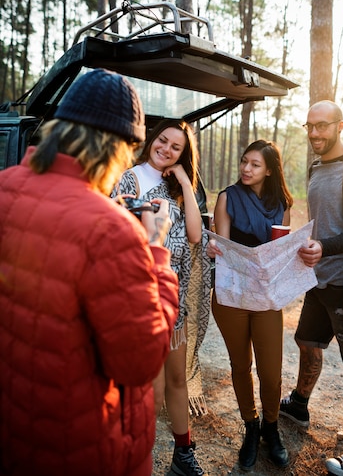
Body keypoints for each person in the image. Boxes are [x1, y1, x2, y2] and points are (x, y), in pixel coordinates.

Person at [0, 68, 179, 476]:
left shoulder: (5, 186)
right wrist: (152, 250)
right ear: (116, 148)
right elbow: (140, 361)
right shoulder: (109, 231)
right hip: (83, 445)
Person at [279, 100, 343, 476]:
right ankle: (299, 404)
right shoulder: (316, 166)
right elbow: (322, 222)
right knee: (307, 343)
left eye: (322, 126)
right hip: (319, 278)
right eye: (309, 126)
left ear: (340, 125)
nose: (314, 134)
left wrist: (325, 247)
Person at [112, 119, 211, 476]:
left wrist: (185, 180)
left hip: (176, 300)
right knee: (149, 393)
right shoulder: (130, 179)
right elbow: (116, 235)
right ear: (151, 139)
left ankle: (183, 455)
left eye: (176, 148)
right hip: (144, 301)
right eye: (163, 141)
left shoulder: (177, 188)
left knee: (177, 380)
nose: (166, 149)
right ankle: (140, 459)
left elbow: (196, 236)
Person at [208, 139, 293, 471]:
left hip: (267, 296)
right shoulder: (227, 197)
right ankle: (251, 426)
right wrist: (214, 248)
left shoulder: (282, 203)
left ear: (269, 170)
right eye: (244, 161)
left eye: (255, 164)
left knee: (270, 374)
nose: (246, 168)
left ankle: (272, 429)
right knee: (240, 366)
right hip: (231, 295)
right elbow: (222, 245)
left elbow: (282, 251)